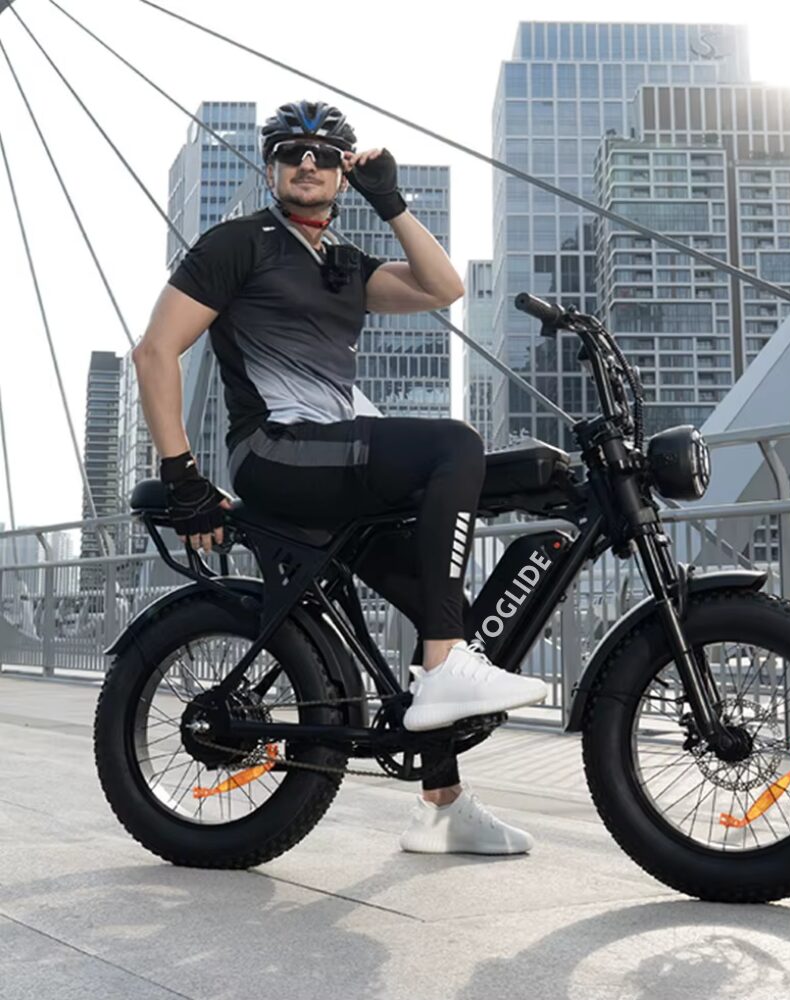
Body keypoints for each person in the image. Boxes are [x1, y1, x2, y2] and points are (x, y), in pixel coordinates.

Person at [132, 100, 547, 855]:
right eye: (292, 152)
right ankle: (446, 666)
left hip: (333, 460)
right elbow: (155, 351)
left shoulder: (345, 264)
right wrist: (184, 477)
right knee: (455, 445)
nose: (308, 163)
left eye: (325, 155)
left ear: (342, 176)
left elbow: (443, 287)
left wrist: (392, 200)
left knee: (439, 602)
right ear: (271, 168)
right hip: (278, 451)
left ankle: (442, 807)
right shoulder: (238, 244)